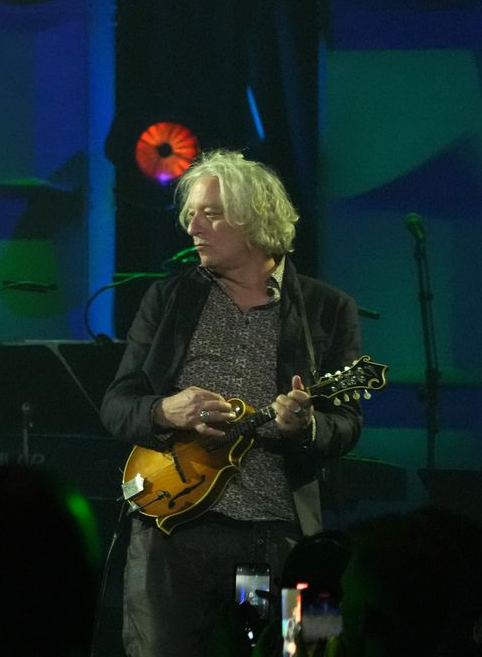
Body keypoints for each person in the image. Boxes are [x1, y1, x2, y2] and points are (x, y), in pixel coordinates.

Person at [100, 148, 364, 657]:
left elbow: (348, 423)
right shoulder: (168, 298)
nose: (193, 227)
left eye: (211, 214)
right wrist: (164, 411)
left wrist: (304, 427)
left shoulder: (329, 308)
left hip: (283, 538)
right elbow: (116, 404)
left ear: (255, 221)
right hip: (173, 533)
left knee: (304, 649)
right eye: (190, 214)